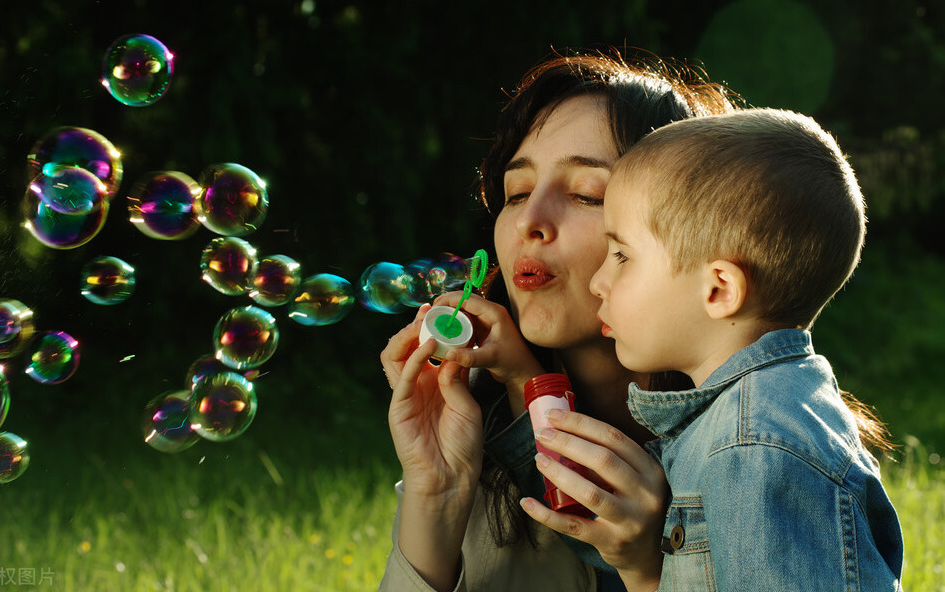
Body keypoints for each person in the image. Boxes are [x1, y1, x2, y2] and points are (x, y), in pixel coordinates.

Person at [379, 49, 738, 592]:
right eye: (516, 192)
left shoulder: (756, 444)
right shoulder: (475, 419)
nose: (529, 219)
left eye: (584, 194)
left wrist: (652, 569)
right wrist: (438, 493)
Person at [576, 108, 903, 590]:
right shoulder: (759, 415)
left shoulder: (752, 448)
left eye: (622, 255)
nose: (598, 281)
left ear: (719, 290)